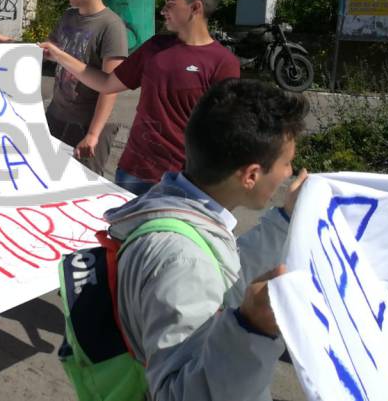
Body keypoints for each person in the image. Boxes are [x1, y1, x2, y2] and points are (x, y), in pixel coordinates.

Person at [104, 78, 308, 401]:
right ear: (251, 175)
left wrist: (284, 220)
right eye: (286, 163)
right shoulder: (184, 261)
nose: (289, 173)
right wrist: (252, 329)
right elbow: (177, 394)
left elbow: (223, 275)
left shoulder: (177, 207)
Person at [40, 0, 240, 194]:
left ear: (196, 8)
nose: (163, 11)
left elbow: (222, 132)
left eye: (170, 4)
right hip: (133, 172)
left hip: (184, 181)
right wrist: (59, 56)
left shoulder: (223, 63)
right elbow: (107, 84)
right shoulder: (155, 48)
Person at [36, 0, 127, 175]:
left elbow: (111, 86)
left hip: (89, 124)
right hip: (56, 115)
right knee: (48, 179)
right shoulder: (68, 16)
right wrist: (2, 42)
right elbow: (48, 50)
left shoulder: (111, 26)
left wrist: (94, 134)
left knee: (83, 188)